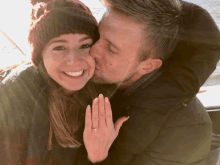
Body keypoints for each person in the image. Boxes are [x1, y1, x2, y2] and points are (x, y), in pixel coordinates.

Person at [75, 0, 220, 164]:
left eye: (111, 49)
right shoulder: (98, 80)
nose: (93, 51)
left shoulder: (185, 132)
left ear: (148, 66)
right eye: (97, 35)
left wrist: (97, 158)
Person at [0, 1, 128, 164]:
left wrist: (97, 156)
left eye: (85, 45)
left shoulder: (106, 103)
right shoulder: (13, 97)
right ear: (40, 57)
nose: (74, 59)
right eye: (60, 47)